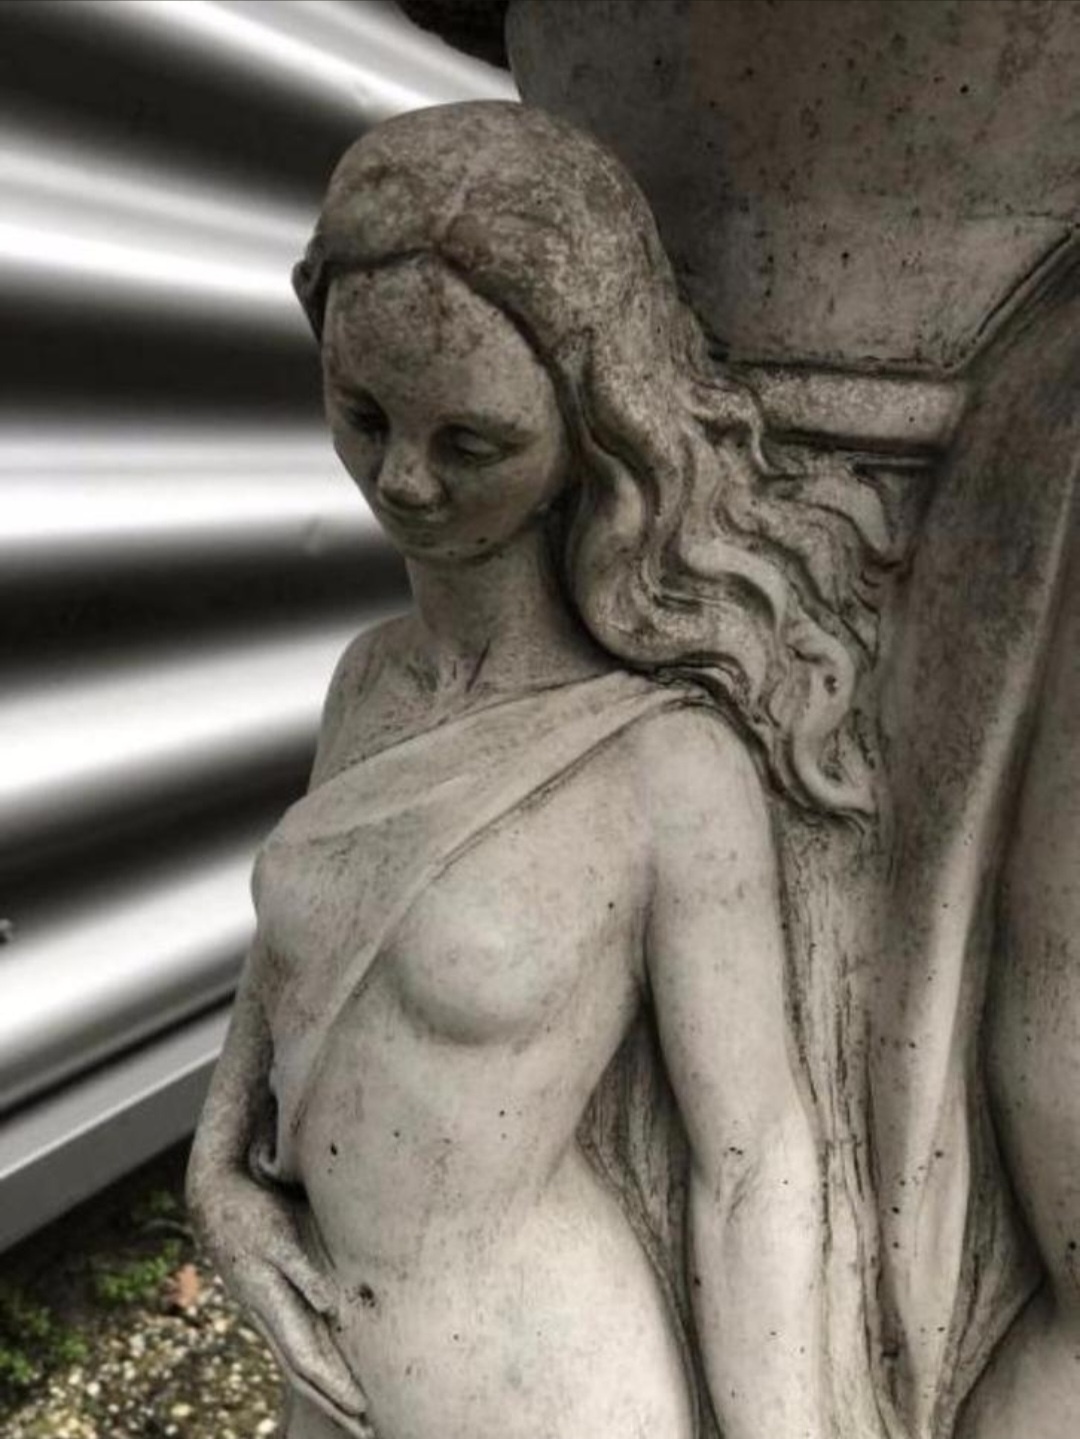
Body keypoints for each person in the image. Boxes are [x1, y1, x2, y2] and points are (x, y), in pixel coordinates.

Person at [187, 101, 895, 1439]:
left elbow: (755, 1163)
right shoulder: (368, 682)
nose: (404, 480)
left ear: (590, 425)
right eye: (362, 415)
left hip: (541, 1380)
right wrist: (216, 1175)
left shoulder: (664, 768)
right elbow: (301, 959)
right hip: (334, 1363)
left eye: (472, 441)